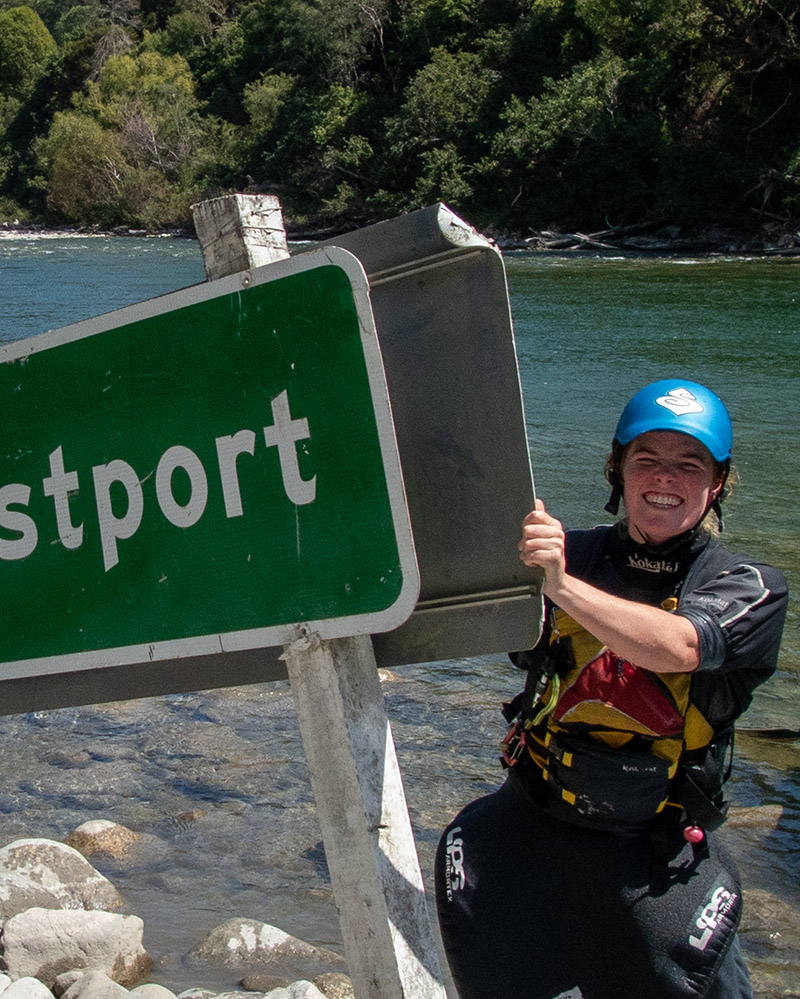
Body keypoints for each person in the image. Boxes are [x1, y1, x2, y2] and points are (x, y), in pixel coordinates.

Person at [435, 379, 788, 999]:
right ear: (617, 468)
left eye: (689, 464)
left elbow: (680, 645)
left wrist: (560, 585)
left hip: (654, 855)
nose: (665, 478)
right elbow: (451, 594)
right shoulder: (559, 553)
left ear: (718, 483)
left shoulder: (751, 586)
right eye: (646, 459)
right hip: (529, 821)